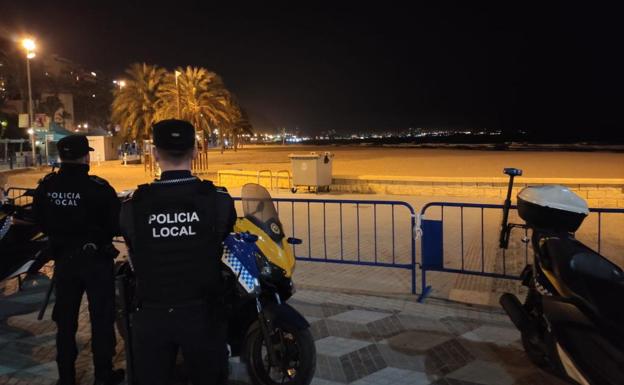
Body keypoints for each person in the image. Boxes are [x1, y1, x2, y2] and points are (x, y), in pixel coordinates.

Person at [119, 119, 236, 385]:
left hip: (152, 316)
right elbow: (224, 231)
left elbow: (132, 241)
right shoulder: (218, 200)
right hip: (203, 316)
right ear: (195, 151)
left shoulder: (132, 206)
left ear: (155, 153)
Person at [32, 135, 124, 385]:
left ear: (62, 157)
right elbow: (117, 225)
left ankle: (67, 377)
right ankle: (103, 376)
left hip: (64, 261)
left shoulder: (48, 185)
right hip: (96, 261)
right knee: (101, 319)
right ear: (86, 157)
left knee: (65, 321)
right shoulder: (98, 187)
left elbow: (37, 218)